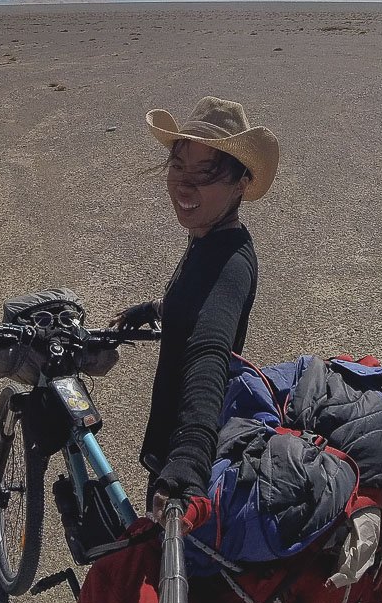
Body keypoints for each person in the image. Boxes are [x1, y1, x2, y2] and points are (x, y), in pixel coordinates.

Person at [109, 96, 279, 528]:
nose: (185, 185)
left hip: (186, 457)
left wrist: (189, 456)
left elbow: (210, 349)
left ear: (241, 182)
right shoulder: (210, 237)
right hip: (176, 441)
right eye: (178, 166)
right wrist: (150, 309)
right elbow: (194, 300)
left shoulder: (231, 263)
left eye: (205, 173)